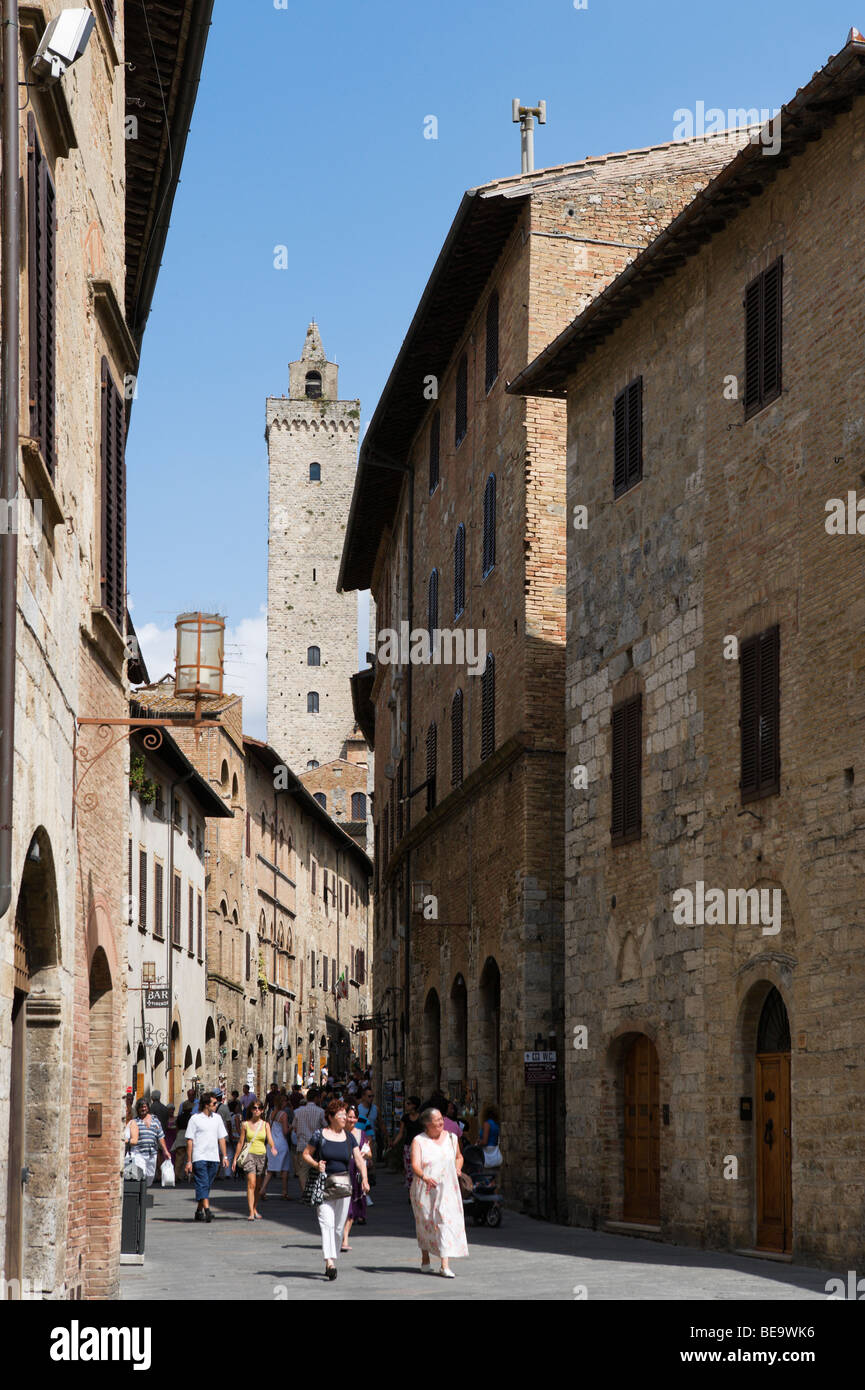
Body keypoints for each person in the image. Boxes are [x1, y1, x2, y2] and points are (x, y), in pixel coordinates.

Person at [303, 1099, 369, 1280]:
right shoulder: (320, 1135)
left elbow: (359, 1159)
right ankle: (329, 1262)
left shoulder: (349, 1137)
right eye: (341, 1114)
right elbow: (306, 1153)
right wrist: (317, 1164)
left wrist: (365, 1178)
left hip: (343, 1186)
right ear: (330, 1117)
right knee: (327, 1223)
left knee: (339, 1227)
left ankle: (332, 1255)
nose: (344, 1118)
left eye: (345, 1114)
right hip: (324, 1185)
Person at [410, 1107, 468, 1278]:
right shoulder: (418, 1141)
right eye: (437, 1120)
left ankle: (444, 1265)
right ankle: (425, 1258)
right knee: (426, 1223)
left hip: (448, 1188)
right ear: (427, 1124)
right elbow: (415, 1165)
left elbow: (459, 1157)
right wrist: (425, 1177)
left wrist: (458, 1168)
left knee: (445, 1222)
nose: (441, 1122)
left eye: (441, 1119)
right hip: (425, 1189)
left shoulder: (452, 1138)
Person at [184, 1091, 230, 1221]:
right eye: (214, 1103)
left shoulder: (217, 1118)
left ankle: (199, 1210)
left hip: (213, 1157)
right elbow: (189, 1140)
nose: (216, 1105)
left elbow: (221, 1138)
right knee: (202, 1183)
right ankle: (208, 1210)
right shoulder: (195, 1119)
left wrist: (225, 1156)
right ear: (206, 1105)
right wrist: (189, 1161)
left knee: (206, 1185)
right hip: (199, 1156)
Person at [233, 1100, 277, 1219]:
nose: (256, 1110)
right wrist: (234, 1159)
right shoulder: (245, 1124)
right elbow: (241, 1142)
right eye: (254, 1108)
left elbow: (270, 1139)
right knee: (251, 1183)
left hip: (262, 1156)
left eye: (259, 1108)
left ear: (262, 1110)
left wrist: (273, 1147)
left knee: (258, 1186)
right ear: (251, 1110)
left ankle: (254, 1208)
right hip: (249, 1155)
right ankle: (251, 1212)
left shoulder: (265, 1125)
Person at [340, 1103, 372, 1250]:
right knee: (342, 1207)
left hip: (357, 1173)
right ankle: (341, 1236)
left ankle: (345, 1238)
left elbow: (370, 1153)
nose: (352, 1120)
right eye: (349, 1116)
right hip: (342, 1172)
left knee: (352, 1206)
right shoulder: (339, 1132)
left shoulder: (361, 1133)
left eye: (354, 1117)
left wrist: (366, 1153)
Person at [124, 1098, 171, 1185]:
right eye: (141, 1107)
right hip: (138, 1153)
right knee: (141, 1174)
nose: (143, 1109)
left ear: (148, 1108)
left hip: (152, 1153)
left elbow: (161, 1136)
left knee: (150, 1176)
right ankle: (141, 1193)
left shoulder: (155, 1120)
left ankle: (144, 1189)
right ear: (138, 1109)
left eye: (145, 1107)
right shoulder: (135, 1121)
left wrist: (165, 1151)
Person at [259, 1093, 292, 1200]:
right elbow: (285, 1131)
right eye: (285, 1101)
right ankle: (284, 1192)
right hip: (281, 1143)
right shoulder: (283, 1115)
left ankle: (263, 1189)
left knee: (270, 1169)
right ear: (281, 1102)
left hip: (271, 1143)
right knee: (285, 1169)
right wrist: (292, 1126)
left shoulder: (271, 1113)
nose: (286, 1103)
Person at [292, 1087, 325, 1193]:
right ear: (316, 1098)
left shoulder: (298, 1111)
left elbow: (294, 1127)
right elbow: (326, 1127)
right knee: (318, 1169)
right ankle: (316, 1191)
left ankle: (305, 1193)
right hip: (317, 1145)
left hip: (302, 1144)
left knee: (303, 1172)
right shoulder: (321, 1111)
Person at [390, 1096, 423, 1191]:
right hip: (408, 1146)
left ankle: (418, 1188)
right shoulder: (405, 1118)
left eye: (408, 1103)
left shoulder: (421, 1117)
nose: (406, 1105)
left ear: (414, 1105)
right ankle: (411, 1189)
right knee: (409, 1169)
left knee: (419, 1167)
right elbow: (401, 1132)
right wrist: (394, 1143)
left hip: (420, 1146)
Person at [173, 1089, 196, 1181]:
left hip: (180, 1135)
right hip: (189, 1136)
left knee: (179, 1158)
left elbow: (177, 1127)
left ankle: (177, 1175)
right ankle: (191, 1174)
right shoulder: (192, 1118)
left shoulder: (179, 1117)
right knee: (191, 1157)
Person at [357, 1088, 385, 1162]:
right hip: (360, 1140)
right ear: (363, 1097)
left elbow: (381, 1122)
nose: (371, 1098)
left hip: (372, 1141)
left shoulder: (376, 1109)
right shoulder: (357, 1109)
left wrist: (387, 1137)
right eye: (369, 1096)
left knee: (371, 1164)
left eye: (373, 1096)